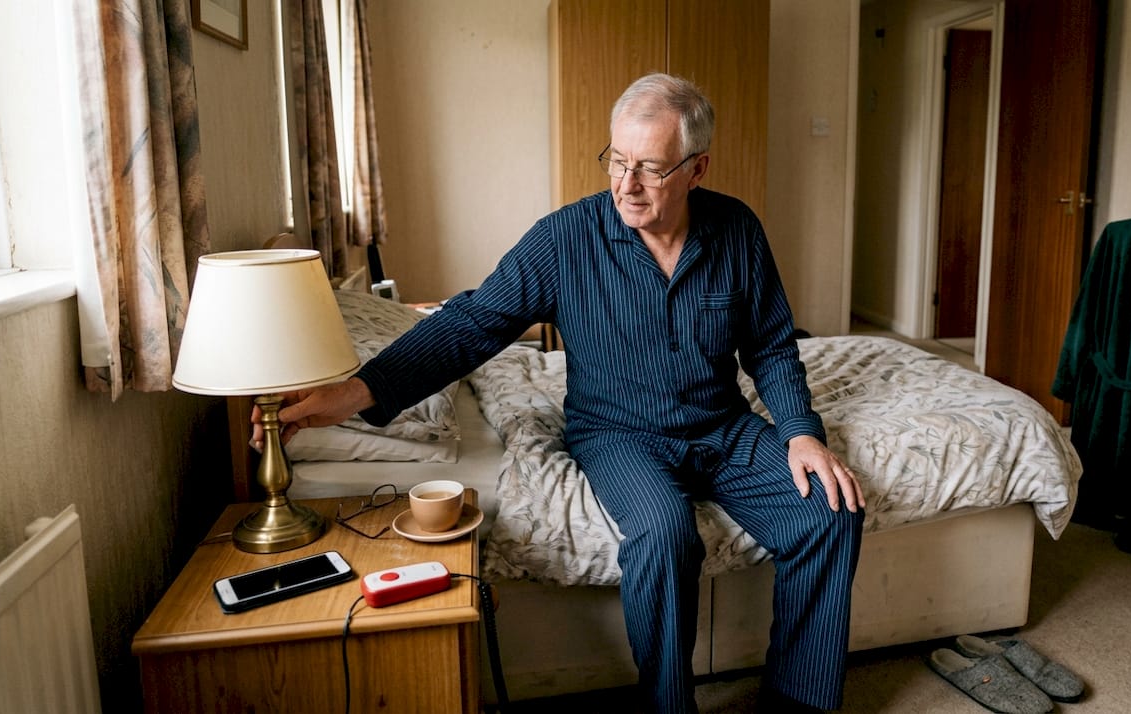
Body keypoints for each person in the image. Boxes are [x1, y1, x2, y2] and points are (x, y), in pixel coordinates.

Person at [262, 73, 865, 714]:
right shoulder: (565, 239)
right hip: (619, 434)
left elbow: (771, 344)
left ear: (697, 168)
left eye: (650, 169)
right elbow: (472, 324)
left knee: (830, 515)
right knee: (665, 537)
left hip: (723, 426)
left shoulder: (736, 229)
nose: (626, 185)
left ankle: (799, 701)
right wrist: (355, 392)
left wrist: (800, 432)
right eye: (618, 161)